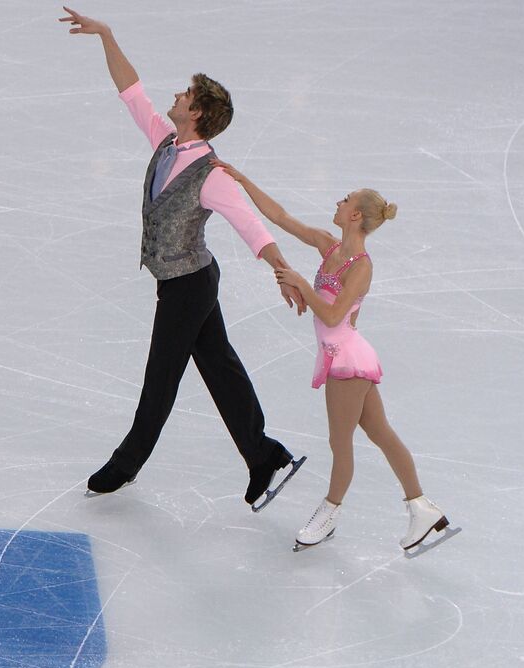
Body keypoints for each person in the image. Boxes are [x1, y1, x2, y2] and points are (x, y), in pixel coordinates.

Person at [59, 7, 304, 510]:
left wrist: (282, 271)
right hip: (182, 280)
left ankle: (125, 465)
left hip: (190, 284)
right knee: (219, 366)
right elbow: (132, 92)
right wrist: (107, 35)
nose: (177, 95)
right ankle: (265, 457)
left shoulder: (212, 174)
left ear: (198, 113)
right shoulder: (166, 144)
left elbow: (249, 224)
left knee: (162, 373)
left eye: (186, 94)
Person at [215, 160, 454, 552]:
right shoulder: (329, 245)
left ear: (356, 215)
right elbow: (280, 216)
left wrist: (300, 284)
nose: (338, 202)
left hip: (348, 361)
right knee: (381, 434)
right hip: (339, 355)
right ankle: (422, 507)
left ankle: (328, 514)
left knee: (339, 442)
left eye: (345, 200)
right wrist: (242, 180)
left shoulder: (361, 268)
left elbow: (330, 313)